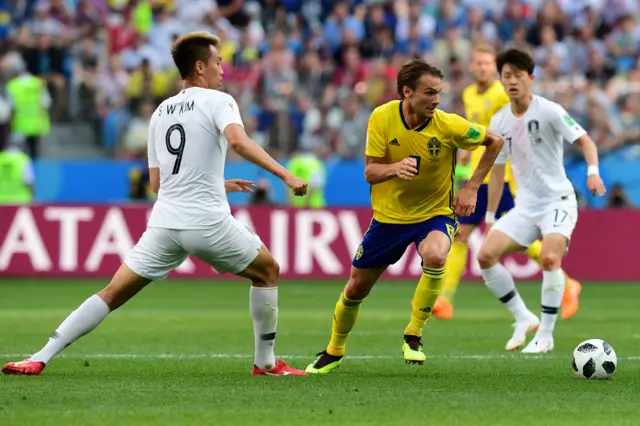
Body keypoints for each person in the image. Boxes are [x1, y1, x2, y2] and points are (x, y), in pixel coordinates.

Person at [2, 32, 309, 377]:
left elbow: (158, 184)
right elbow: (238, 141)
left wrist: (219, 184)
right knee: (267, 270)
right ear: (199, 66)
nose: (222, 68)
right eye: (218, 61)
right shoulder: (219, 101)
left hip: (164, 224)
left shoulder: (160, 112)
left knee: (111, 292)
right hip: (206, 222)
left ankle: (39, 356)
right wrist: (285, 175)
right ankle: (266, 363)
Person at [305, 59, 504, 374]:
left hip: (435, 213)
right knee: (356, 288)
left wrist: (471, 188)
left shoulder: (449, 124)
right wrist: (394, 169)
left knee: (437, 254)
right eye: (429, 93)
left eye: (438, 93)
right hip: (389, 219)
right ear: (407, 92)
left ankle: (413, 334)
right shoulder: (382, 118)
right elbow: (370, 171)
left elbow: (494, 140)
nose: (436, 100)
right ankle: (334, 350)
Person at [428, 45, 582, 320]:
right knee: (461, 234)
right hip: (478, 176)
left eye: (488, 64)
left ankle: (568, 283)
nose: (483, 68)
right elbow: (479, 129)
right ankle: (445, 298)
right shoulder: (469, 94)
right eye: (479, 63)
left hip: (504, 177)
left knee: (514, 238)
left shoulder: (503, 93)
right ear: (472, 66)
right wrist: (465, 152)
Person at [478, 49, 606, 353]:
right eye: (506, 76)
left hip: (558, 202)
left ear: (531, 78)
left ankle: (545, 335)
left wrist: (593, 172)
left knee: (549, 258)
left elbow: (585, 140)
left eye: (518, 75)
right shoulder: (499, 121)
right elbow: (496, 174)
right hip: (525, 207)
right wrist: (490, 217)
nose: (512, 82)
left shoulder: (548, 110)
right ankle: (523, 318)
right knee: (485, 256)